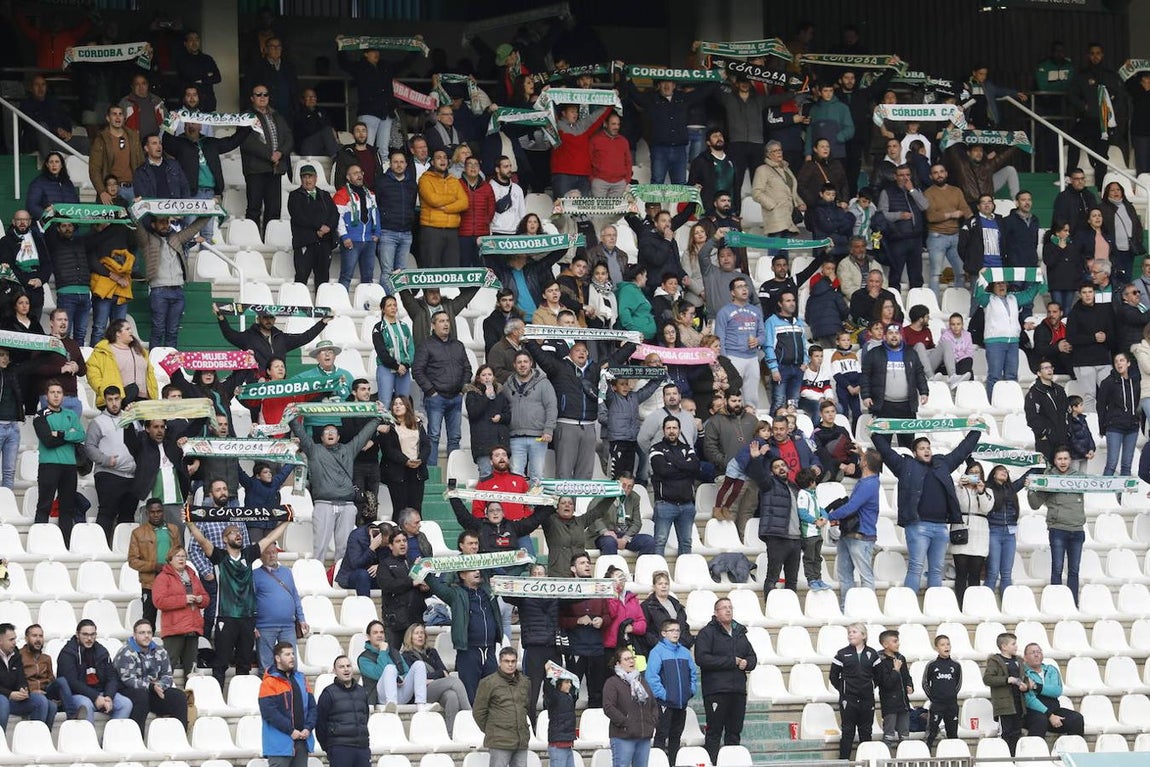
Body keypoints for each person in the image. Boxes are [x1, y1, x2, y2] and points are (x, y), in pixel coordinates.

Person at [874, 426, 982, 591]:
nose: (926, 450)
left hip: (940, 527)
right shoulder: (905, 466)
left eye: (928, 447)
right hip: (918, 526)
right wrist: (874, 433)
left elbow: (962, 451)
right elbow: (886, 452)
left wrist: (976, 430)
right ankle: (909, 605)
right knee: (916, 568)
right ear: (915, 452)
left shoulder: (943, 464)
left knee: (936, 570)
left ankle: (935, 607)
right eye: (922, 448)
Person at [187, 516, 289, 688]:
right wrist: (190, 522)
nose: (238, 534)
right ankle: (216, 695)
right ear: (224, 539)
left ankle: (242, 696)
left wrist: (287, 520)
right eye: (233, 533)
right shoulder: (219, 556)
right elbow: (202, 540)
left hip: (247, 618)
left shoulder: (248, 555)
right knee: (221, 662)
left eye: (239, 532)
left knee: (244, 662)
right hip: (226, 617)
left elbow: (270, 538)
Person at [288, 402, 383, 561]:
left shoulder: (348, 449)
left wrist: (378, 417)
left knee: (345, 548)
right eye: (327, 432)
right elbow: (300, 432)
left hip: (347, 505)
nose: (330, 434)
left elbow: (364, 435)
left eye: (333, 432)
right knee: (320, 546)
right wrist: (291, 417)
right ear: (321, 437)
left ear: (339, 437)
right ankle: (317, 579)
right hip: (323, 504)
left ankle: (339, 579)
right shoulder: (313, 450)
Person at [426, 569, 503, 704]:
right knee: (470, 698)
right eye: (472, 570)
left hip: (490, 651)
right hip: (469, 652)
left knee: (494, 696)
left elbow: (507, 574)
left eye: (478, 569)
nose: (477, 572)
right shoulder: (456, 594)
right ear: (462, 575)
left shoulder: (488, 591)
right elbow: (437, 587)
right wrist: (423, 570)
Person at [134, 213, 211, 348]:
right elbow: (136, 224)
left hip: (178, 291)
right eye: (161, 222)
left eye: (167, 222)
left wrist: (210, 210)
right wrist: (136, 208)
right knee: (158, 331)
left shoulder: (176, 238)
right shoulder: (147, 240)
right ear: (153, 224)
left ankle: (171, 367)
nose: (165, 225)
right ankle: (154, 366)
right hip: (159, 291)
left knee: (173, 332)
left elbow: (194, 228)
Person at [694, 597, 756, 762]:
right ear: (716, 612)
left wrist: (747, 663)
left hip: (738, 691)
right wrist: (732, 661)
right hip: (717, 691)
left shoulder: (739, 632)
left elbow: (752, 656)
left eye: (730, 607)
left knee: (734, 732)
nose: (728, 610)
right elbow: (701, 658)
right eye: (723, 608)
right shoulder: (707, 633)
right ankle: (712, 763)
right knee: (714, 731)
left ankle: (732, 763)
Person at [412, 312, 471, 465]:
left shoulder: (458, 345)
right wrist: (431, 392)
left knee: (455, 438)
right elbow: (417, 370)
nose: (445, 324)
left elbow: (467, 369)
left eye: (447, 321)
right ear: (433, 325)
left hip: (456, 398)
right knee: (433, 436)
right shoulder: (426, 345)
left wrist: (461, 389)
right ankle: (432, 475)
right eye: (441, 321)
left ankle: (453, 474)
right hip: (436, 399)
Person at [1029, 447, 1087, 604]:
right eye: (1059, 459)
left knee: (1074, 571)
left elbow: (1101, 485)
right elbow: (1035, 504)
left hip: (1077, 529)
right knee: (1057, 569)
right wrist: (1031, 487)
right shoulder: (1048, 478)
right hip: (1058, 529)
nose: (1063, 462)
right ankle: (1056, 603)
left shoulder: (1080, 477)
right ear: (1054, 461)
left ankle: (1073, 603)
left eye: (1065, 458)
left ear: (1070, 460)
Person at [1067, 43, 1126, 192]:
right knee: (1073, 141)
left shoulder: (1110, 75)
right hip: (1086, 119)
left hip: (1104, 122)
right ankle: (1069, 178)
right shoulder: (1082, 75)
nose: (1095, 56)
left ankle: (1100, 187)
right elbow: (1072, 95)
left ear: (1102, 55)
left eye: (1098, 53)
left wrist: (1112, 112)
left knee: (1101, 154)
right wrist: (1084, 106)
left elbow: (1120, 96)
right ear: (1088, 55)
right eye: (1092, 53)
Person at [33, 380, 86, 545]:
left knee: (67, 508)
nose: (56, 395)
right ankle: (38, 542)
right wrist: (68, 435)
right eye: (52, 392)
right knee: (44, 505)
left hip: (69, 467)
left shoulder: (70, 414)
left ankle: (66, 544)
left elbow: (81, 435)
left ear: (63, 396)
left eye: (59, 392)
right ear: (46, 396)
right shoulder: (40, 416)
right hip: (49, 465)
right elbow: (48, 440)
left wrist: (59, 434)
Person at [113, 618, 188, 734]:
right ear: (134, 635)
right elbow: (128, 679)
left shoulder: (160, 651)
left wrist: (159, 686)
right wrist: (150, 686)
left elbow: (167, 675)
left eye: (149, 632)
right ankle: (137, 739)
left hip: (154, 690)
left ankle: (178, 737)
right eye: (142, 633)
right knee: (141, 697)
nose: (146, 636)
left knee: (179, 697)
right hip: (128, 691)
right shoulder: (126, 652)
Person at [861, 324, 930, 449]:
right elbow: (865, 376)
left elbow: (919, 373)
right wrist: (865, 396)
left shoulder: (911, 353)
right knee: (883, 446)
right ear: (884, 336)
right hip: (884, 406)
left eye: (896, 333)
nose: (894, 336)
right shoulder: (874, 354)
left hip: (907, 407)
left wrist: (924, 392)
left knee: (908, 446)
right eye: (890, 333)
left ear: (901, 336)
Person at [975, 278, 1045, 397]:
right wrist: (981, 276)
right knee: (994, 376)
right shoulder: (988, 299)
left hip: (1013, 341)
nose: (1001, 286)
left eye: (1003, 283)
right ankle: (993, 403)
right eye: (998, 283)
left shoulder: (1013, 298)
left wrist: (1037, 280)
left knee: (1012, 376)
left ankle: (1011, 401)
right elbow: (978, 294)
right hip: (994, 342)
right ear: (993, 286)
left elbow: (1028, 295)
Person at [57, 620, 133, 724]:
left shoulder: (101, 651)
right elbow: (71, 682)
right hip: (77, 694)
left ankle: (108, 739)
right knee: (86, 705)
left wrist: (108, 697)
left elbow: (112, 677)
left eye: (92, 634)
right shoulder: (68, 653)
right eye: (85, 634)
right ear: (77, 634)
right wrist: (95, 697)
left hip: (101, 693)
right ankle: (89, 739)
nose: (89, 638)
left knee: (125, 703)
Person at [241, 83, 294, 232]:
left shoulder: (276, 115)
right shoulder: (246, 117)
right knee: (254, 209)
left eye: (265, 94)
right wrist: (270, 155)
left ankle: (270, 240)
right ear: (252, 98)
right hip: (256, 169)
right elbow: (247, 141)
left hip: (275, 169)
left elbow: (288, 137)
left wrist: (280, 153)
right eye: (258, 94)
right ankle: (254, 241)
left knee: (274, 209)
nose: (262, 97)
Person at [150, 545, 209, 678]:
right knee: (168, 666)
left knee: (192, 670)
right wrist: (183, 599)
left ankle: (191, 697)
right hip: (174, 629)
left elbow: (206, 599)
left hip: (193, 628)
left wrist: (200, 599)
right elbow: (159, 601)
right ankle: (165, 695)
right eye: (177, 556)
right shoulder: (163, 577)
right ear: (170, 559)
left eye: (183, 556)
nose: (181, 559)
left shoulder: (193, 575)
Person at [645, 619, 698, 764]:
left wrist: (690, 690)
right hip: (665, 703)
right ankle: (658, 763)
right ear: (663, 633)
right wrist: (664, 695)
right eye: (672, 630)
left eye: (677, 630)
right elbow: (651, 677)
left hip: (681, 703)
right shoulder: (657, 652)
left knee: (676, 736)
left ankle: (674, 763)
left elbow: (693, 674)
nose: (675, 633)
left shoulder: (685, 652)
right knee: (661, 735)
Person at [401, 623, 471, 733]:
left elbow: (444, 671)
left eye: (422, 633)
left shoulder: (432, 652)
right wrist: (439, 674)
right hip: (419, 692)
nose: (420, 636)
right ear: (410, 636)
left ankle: (451, 733)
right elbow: (418, 678)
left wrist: (434, 678)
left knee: (452, 696)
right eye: (416, 633)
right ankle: (469, 715)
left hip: (434, 686)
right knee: (454, 681)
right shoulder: (406, 655)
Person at [560, 552, 608, 706]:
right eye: (582, 563)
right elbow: (559, 619)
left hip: (597, 649)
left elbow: (608, 615)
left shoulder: (598, 588)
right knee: (571, 691)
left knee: (597, 692)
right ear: (573, 569)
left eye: (588, 562)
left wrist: (602, 620)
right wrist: (577, 620)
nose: (587, 565)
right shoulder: (566, 591)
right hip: (576, 648)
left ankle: (595, 727)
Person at [260, 642, 316, 767]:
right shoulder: (269, 682)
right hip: (279, 745)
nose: (292, 657)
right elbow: (269, 712)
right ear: (278, 658)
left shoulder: (301, 678)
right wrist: (290, 730)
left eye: (293, 654)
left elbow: (312, 707)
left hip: (302, 741)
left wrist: (308, 727)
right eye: (287, 654)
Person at [254, 545, 309, 673]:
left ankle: (291, 690)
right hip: (264, 626)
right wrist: (253, 624)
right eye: (268, 553)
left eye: (274, 552)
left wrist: (301, 618)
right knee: (266, 667)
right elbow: (249, 601)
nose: (272, 555)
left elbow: (295, 596)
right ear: (261, 556)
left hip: (288, 626)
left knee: (291, 664)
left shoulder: (287, 572)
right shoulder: (254, 575)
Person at [650, 416, 701, 555]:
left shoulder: (687, 448)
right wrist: (685, 467)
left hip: (687, 505)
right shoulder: (656, 448)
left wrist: (673, 462)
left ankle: (684, 575)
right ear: (663, 430)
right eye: (668, 428)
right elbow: (663, 470)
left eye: (674, 428)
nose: (672, 431)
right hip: (665, 504)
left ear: (679, 430)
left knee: (686, 543)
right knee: (660, 542)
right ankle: (658, 574)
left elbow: (696, 467)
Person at [473, 646, 532, 767]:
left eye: (513, 661)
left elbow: (526, 706)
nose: (510, 664)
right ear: (500, 662)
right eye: (506, 661)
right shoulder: (488, 682)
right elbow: (478, 712)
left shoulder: (525, 682)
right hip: (499, 741)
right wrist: (493, 730)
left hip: (521, 740)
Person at [603, 646, 659, 767]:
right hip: (623, 736)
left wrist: (652, 720)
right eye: (627, 659)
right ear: (618, 663)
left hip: (644, 735)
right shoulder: (612, 683)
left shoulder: (642, 681)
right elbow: (608, 707)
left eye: (632, 658)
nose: (631, 661)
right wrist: (626, 722)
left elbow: (653, 704)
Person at [715, 277, 766, 409]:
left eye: (746, 286)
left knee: (752, 396)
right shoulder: (724, 311)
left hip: (752, 357)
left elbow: (763, 334)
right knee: (733, 393)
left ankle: (751, 418)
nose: (744, 289)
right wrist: (725, 361)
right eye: (739, 287)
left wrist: (757, 340)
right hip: (733, 357)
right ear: (732, 292)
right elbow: (719, 338)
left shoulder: (756, 311)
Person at [129, 500, 182, 627]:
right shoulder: (138, 533)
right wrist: (154, 566)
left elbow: (179, 553)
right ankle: (146, 646)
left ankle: (170, 646)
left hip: (170, 579)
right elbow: (132, 561)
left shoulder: (173, 529)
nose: (156, 515)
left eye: (159, 511)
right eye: (152, 512)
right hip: (149, 582)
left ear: (163, 512)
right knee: (149, 618)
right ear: (147, 513)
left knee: (173, 617)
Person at [286, 164, 339, 289]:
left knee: (323, 279)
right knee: (301, 277)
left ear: (316, 178)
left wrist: (328, 228)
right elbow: (298, 216)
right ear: (300, 179)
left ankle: (321, 305)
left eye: (310, 176)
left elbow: (334, 214)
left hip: (324, 243)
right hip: (305, 242)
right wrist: (319, 227)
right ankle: (299, 306)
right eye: (304, 177)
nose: (307, 180)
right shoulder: (295, 196)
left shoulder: (324, 195)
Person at [831, 623, 879, 760]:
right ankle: (844, 761)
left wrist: (869, 687)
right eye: (849, 632)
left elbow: (879, 675)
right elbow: (833, 676)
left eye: (854, 632)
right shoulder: (842, 654)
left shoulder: (872, 654)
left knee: (866, 731)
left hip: (867, 699)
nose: (850, 634)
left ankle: (866, 760)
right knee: (847, 731)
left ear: (863, 635)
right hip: (848, 700)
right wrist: (844, 689)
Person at [1066, 283, 1115, 411]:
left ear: (1094, 293)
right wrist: (1093, 338)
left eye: (1090, 292)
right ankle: (1092, 425)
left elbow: (1113, 332)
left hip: (1103, 359)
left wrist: (1106, 337)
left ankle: (1110, 423)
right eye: (1084, 292)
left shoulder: (1104, 310)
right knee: (1089, 397)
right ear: (1079, 294)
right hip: (1084, 362)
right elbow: (1071, 338)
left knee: (1112, 394)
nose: (1088, 295)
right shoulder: (1074, 313)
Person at [924, 163, 972, 293]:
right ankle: (933, 307)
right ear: (931, 176)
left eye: (941, 171)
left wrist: (974, 222)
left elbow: (966, 210)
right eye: (935, 172)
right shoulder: (928, 193)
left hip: (956, 235)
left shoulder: (956, 191)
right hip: (936, 236)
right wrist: (952, 214)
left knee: (961, 272)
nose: (939, 175)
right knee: (935, 275)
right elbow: (931, 216)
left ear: (946, 173)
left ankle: (957, 304)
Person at [315, 655, 370, 767]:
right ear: (335, 671)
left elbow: (365, 717)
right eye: (341, 667)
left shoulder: (361, 692)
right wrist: (328, 747)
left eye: (348, 666)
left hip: (362, 748)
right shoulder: (328, 693)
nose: (346, 669)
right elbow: (320, 723)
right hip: (340, 748)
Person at [1021, 643, 1086, 738]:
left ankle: (1073, 751)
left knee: (1076, 718)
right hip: (1032, 712)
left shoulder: (1051, 670)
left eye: (1039, 652)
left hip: (1054, 709)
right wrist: (1050, 715)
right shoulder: (1023, 673)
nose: (1036, 654)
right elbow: (1030, 699)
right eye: (1032, 652)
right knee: (1040, 720)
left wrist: (1035, 686)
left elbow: (1056, 691)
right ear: (1025, 657)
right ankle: (1036, 751)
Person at [0, 621, 56, 732]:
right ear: (0, 640)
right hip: (3, 698)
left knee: (42, 701)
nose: (14, 643)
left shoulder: (15, 654)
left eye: (15, 639)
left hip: (14, 698)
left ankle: (37, 739)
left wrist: (23, 689)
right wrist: (9, 694)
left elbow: (21, 677)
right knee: (3, 701)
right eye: (11, 640)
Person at [418, 149, 469, 268]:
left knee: (452, 269)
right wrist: (453, 198)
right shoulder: (425, 179)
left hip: (452, 230)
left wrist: (446, 208)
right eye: (438, 157)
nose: (442, 160)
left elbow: (464, 202)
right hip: (431, 229)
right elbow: (433, 199)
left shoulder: (454, 180)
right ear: (432, 162)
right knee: (432, 269)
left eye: (445, 157)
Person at [584, 473, 656, 556]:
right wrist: (605, 531)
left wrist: (626, 538)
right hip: (603, 534)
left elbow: (637, 523)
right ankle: (612, 568)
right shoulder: (604, 494)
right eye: (623, 485)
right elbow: (592, 515)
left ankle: (642, 568)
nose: (625, 489)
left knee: (649, 541)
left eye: (629, 487)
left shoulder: (634, 498)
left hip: (624, 534)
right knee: (609, 542)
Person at [334, 163, 381, 289]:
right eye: (355, 173)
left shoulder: (370, 194)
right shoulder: (342, 194)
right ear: (348, 178)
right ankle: (341, 303)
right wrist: (344, 236)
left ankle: (366, 305)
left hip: (369, 241)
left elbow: (376, 214)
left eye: (360, 172)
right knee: (346, 276)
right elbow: (337, 217)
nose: (359, 175)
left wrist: (377, 233)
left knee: (368, 277)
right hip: (352, 241)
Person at [983, 632, 1031, 756]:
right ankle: (1004, 758)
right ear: (1004, 646)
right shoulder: (995, 661)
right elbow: (988, 679)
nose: (1016, 646)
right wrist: (1007, 679)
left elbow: (1024, 678)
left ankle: (1014, 758)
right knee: (1006, 733)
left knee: (1016, 733)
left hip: (1018, 704)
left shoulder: (1018, 661)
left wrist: (1026, 686)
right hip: (1004, 706)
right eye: (1013, 644)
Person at [952, 463, 992, 609]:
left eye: (977, 473)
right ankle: (960, 605)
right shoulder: (958, 489)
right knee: (961, 572)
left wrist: (981, 492)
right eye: (971, 472)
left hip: (980, 533)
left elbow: (987, 508)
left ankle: (973, 606)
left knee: (975, 573)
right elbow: (958, 504)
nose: (974, 475)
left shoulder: (988, 491)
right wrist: (961, 487)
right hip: (961, 529)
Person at [764, 291, 808, 411]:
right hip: (781, 368)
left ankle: (791, 429)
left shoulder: (798, 322)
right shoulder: (771, 321)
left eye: (793, 300)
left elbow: (804, 344)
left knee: (793, 405)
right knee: (779, 403)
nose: (792, 303)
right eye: (788, 301)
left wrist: (805, 362)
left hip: (798, 368)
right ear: (780, 303)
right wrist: (773, 368)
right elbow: (768, 346)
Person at [1097, 351, 1140, 476]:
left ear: (1128, 363)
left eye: (1121, 360)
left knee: (1127, 465)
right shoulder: (1108, 382)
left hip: (1133, 426)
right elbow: (1101, 405)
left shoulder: (1136, 381)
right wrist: (1102, 426)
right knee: (1112, 463)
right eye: (1116, 361)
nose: (1118, 363)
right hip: (1115, 426)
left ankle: (1123, 495)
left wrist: (1139, 421)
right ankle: (1104, 494)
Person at [88, 107, 143, 201]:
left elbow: (141, 163)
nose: (118, 117)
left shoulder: (133, 136)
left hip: (134, 189)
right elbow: (94, 169)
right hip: (112, 191)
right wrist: (102, 191)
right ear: (108, 118)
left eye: (120, 114)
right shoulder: (101, 139)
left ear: (124, 118)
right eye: (114, 114)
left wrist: (142, 189)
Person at [922, 635, 961, 750]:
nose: (946, 647)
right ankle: (926, 755)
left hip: (952, 705)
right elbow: (925, 683)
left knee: (953, 734)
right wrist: (934, 698)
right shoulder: (932, 665)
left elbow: (958, 684)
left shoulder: (956, 665)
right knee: (931, 733)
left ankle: (953, 757)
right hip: (937, 705)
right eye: (942, 645)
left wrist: (951, 695)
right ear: (937, 648)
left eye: (948, 644)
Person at [875, 629, 912, 748]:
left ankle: (905, 758)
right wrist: (895, 670)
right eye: (895, 641)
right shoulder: (880, 661)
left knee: (905, 735)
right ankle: (885, 757)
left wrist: (910, 685)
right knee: (889, 735)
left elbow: (906, 676)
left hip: (903, 702)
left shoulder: (901, 657)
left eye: (898, 641)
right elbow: (886, 683)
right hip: (890, 704)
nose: (898, 644)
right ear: (885, 644)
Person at [641, 571, 692, 652]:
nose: (664, 586)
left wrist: (688, 641)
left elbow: (684, 626)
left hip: (680, 648)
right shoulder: (647, 606)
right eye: (660, 584)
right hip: (660, 650)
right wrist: (659, 644)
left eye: (666, 583)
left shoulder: (677, 604)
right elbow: (645, 631)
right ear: (654, 587)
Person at [26, 152, 79, 221]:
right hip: (49, 224)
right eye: (51, 162)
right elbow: (32, 206)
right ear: (47, 165)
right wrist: (47, 214)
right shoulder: (38, 182)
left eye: (57, 162)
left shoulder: (68, 183)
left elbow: (76, 204)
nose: (54, 165)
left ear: (62, 165)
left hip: (69, 224)